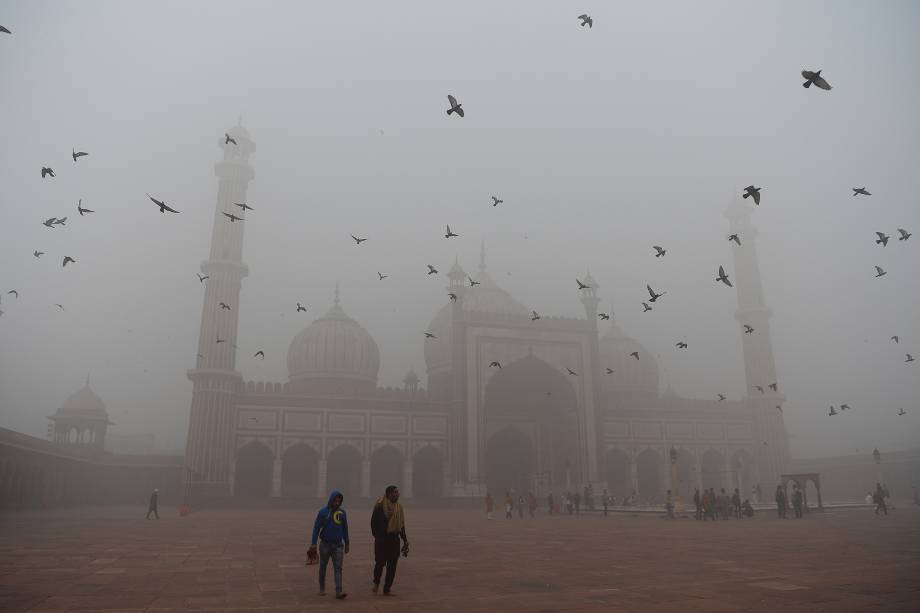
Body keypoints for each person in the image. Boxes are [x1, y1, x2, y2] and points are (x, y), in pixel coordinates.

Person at [309, 490, 350, 599]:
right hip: (325, 544)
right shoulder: (323, 512)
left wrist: (347, 543)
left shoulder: (342, 513)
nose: (337, 503)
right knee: (323, 567)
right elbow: (316, 528)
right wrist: (313, 543)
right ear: (331, 500)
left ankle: (338, 591)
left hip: (338, 545)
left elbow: (345, 529)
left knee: (338, 568)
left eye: (339, 501)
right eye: (335, 500)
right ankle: (322, 588)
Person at [371, 485, 409, 596]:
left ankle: (387, 588)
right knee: (379, 563)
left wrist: (405, 540)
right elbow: (373, 523)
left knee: (392, 566)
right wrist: (378, 536)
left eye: (398, 492)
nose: (398, 494)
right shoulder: (379, 506)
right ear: (389, 494)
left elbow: (401, 525)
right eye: (395, 492)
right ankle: (376, 582)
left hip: (394, 539)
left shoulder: (399, 507)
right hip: (382, 540)